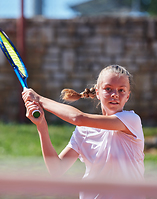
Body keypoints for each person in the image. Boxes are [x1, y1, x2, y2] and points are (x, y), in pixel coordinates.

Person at [22, 65, 144, 199]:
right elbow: (56, 169)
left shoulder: (132, 120)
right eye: (108, 89)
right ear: (97, 92)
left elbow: (78, 118)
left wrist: (39, 99)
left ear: (127, 96)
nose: (115, 94)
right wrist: (41, 125)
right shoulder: (84, 131)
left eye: (121, 90)